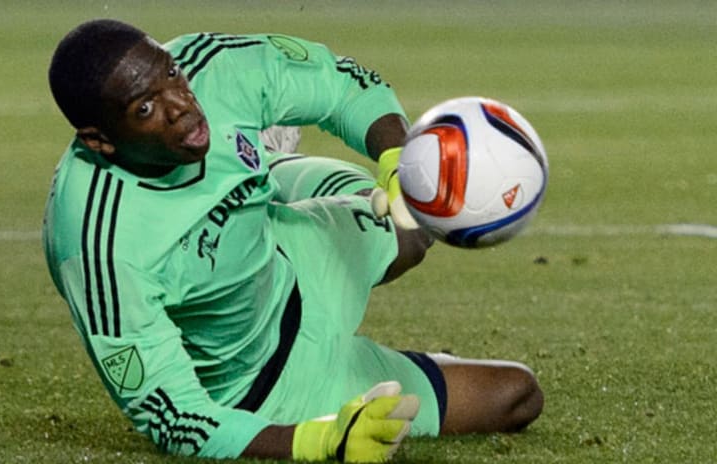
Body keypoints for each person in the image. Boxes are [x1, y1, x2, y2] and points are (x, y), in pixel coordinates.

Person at [43, 19, 543, 462]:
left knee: (410, 232)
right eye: (146, 107)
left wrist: (397, 163)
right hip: (269, 388)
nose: (181, 106)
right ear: (100, 140)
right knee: (518, 395)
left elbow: (345, 85)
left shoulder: (211, 67)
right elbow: (175, 417)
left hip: (290, 252)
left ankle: (263, 161)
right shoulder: (97, 246)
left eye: (171, 75)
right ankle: (260, 162)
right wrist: (319, 440)